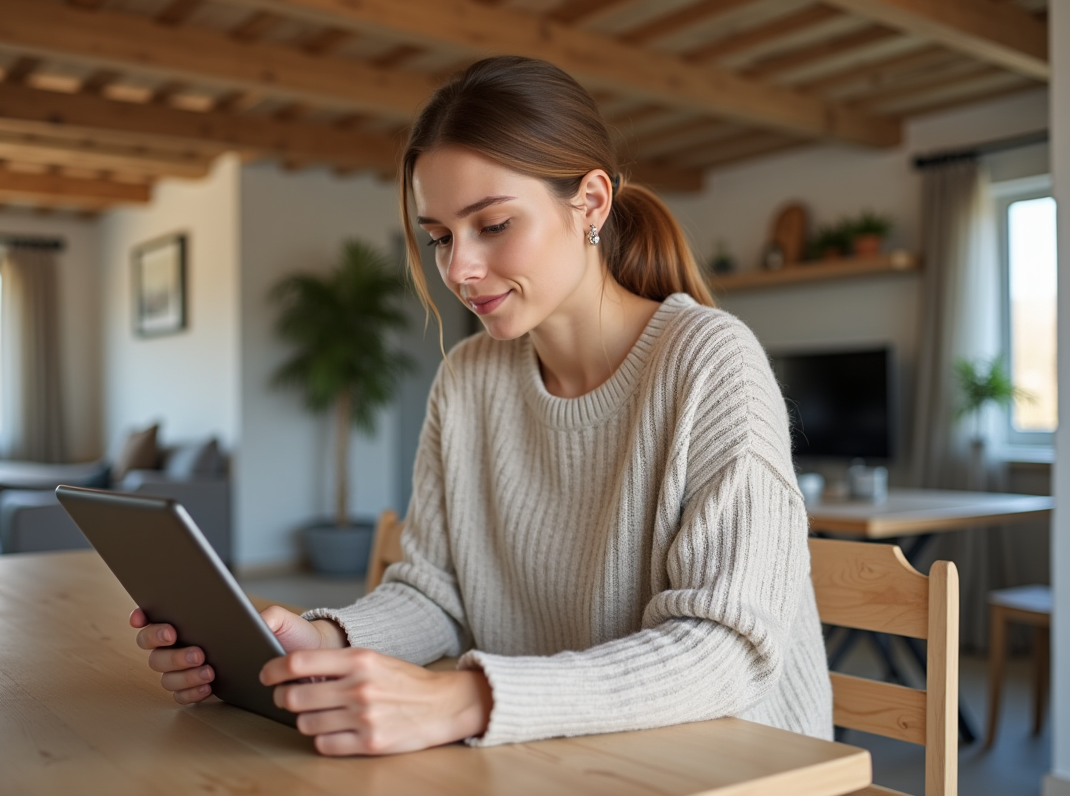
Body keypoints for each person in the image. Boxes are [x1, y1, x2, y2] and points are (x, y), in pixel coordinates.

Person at [130, 56, 833, 756]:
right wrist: (319, 640)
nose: (458, 269)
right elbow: (437, 595)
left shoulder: (710, 362)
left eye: (492, 224)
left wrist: (468, 699)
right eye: (440, 236)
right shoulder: (468, 379)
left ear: (590, 203)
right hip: (566, 754)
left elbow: (728, 650)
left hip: (741, 762)